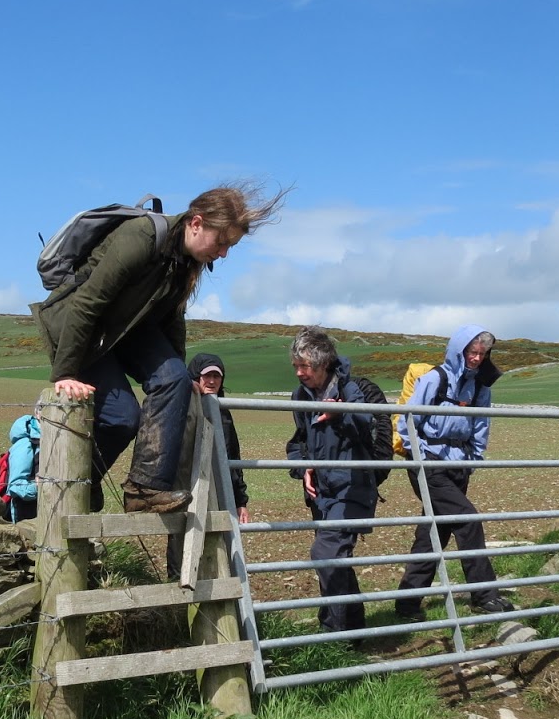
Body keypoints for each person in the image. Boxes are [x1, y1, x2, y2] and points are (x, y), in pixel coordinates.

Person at [33, 182, 286, 514]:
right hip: (83, 329)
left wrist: (180, 379)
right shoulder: (142, 237)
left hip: (128, 329)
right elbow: (87, 302)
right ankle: (79, 481)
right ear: (196, 222)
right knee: (122, 417)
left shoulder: (187, 261)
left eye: (230, 247)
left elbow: (172, 320)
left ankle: (144, 489)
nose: (223, 253)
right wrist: (65, 372)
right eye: (222, 241)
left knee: (174, 379)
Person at [393, 325, 515, 619]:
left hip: (458, 464)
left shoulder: (479, 387)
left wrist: (472, 459)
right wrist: (418, 455)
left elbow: (481, 424)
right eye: (472, 352)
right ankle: (484, 595)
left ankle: (407, 603)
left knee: (433, 533)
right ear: (459, 350)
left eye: (482, 353)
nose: (476, 358)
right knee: (468, 521)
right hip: (430, 462)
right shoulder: (434, 379)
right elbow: (406, 420)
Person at [285, 326, 376, 637]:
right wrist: (305, 467)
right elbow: (297, 443)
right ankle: (356, 630)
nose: (298, 373)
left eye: (304, 366)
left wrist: (339, 413)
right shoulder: (301, 395)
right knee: (337, 559)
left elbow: (366, 426)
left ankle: (332, 636)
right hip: (322, 493)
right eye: (295, 365)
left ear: (323, 363)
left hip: (353, 487)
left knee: (325, 554)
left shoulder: (348, 389)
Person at [166, 352, 252, 576]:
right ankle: (179, 595)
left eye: (217, 376)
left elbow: (233, 456)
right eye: (207, 376)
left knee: (222, 539)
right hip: (185, 486)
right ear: (195, 376)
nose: (212, 381)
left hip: (219, 488)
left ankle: (223, 591)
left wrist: (240, 500)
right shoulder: (179, 406)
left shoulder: (223, 412)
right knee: (182, 538)